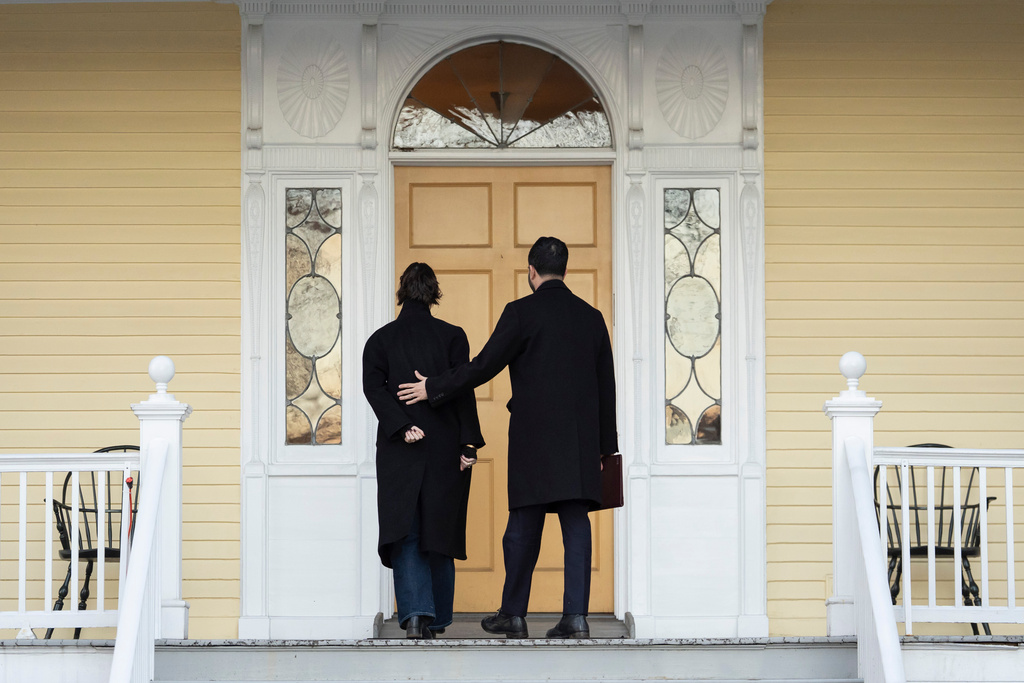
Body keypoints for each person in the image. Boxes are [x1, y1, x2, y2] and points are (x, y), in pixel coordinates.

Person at [397, 236, 618, 639]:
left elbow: (481, 367)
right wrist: (607, 449)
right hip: (581, 443)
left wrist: (435, 388)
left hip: (534, 440)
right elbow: (607, 388)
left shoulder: (521, 313)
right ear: (565, 271)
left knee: (522, 528)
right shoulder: (592, 318)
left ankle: (513, 614)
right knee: (576, 524)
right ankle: (576, 618)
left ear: (530, 272)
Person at [362, 262, 484, 639]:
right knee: (439, 531)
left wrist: (401, 425)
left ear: (402, 291)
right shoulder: (452, 337)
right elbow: (463, 388)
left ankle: (416, 616)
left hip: (400, 450)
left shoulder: (380, 340)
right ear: (434, 292)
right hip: (444, 447)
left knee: (408, 530)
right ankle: (435, 619)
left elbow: (373, 389)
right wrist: (468, 443)